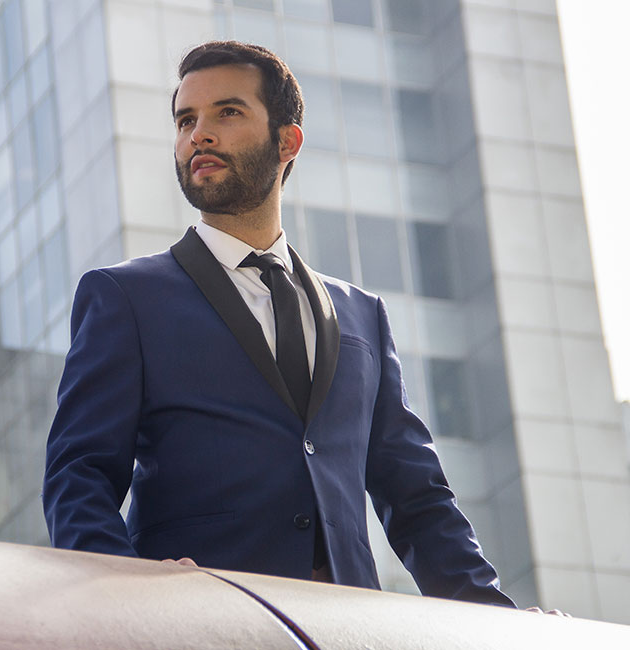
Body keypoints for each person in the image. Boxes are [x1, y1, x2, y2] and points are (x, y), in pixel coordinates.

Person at [43, 41, 515, 608]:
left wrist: (498, 621)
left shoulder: (362, 314)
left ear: (286, 141)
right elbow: (78, 478)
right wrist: (128, 593)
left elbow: (417, 499)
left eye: (227, 112)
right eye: (186, 120)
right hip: (200, 622)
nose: (200, 135)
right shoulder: (125, 297)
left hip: (348, 626)